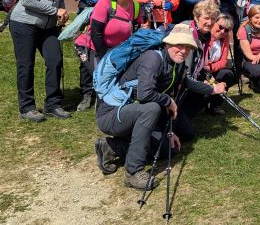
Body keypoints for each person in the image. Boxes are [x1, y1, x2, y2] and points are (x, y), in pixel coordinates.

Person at [93, 23, 219, 189]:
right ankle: (133, 172)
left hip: (136, 113)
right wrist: (169, 102)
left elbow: (169, 92)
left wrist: (169, 131)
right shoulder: (152, 58)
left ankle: (111, 147)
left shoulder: (177, 64)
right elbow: (146, 94)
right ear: (167, 43)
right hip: (112, 115)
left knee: (169, 149)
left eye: (187, 47)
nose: (183, 51)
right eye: (179, 45)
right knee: (152, 108)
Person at [9, 0, 70, 122]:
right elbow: (27, 0)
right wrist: (54, 11)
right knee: (26, 65)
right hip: (23, 23)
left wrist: (62, 12)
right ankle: (27, 107)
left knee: (55, 60)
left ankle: (53, 105)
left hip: (48, 26)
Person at [73, 0, 145, 111]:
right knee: (102, 74)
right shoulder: (105, 2)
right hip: (90, 45)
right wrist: (104, 56)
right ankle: (98, 104)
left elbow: (135, 32)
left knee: (117, 75)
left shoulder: (136, 6)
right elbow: (96, 33)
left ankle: (113, 103)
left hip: (116, 48)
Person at [176, 1, 231, 130]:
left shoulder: (203, 36)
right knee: (187, 133)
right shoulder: (188, 34)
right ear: (196, 17)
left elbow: (196, 68)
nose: (210, 22)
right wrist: (212, 89)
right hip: (175, 87)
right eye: (206, 18)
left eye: (213, 18)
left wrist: (206, 80)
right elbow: (186, 77)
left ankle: (184, 118)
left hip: (188, 83)